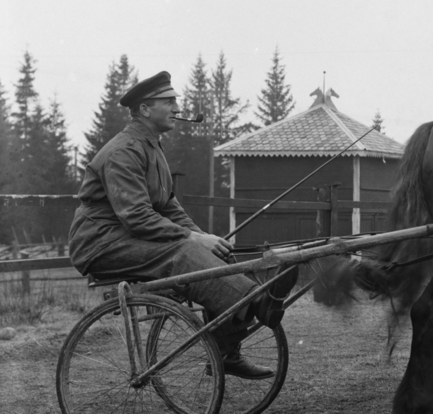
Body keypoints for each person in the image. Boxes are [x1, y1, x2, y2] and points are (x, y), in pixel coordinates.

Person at [68, 71, 297, 379]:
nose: (177, 107)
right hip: (102, 243)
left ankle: (226, 351)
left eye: (176, 101)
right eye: (170, 101)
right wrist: (192, 239)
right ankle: (257, 300)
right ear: (146, 109)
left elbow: (168, 206)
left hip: (125, 237)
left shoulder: (150, 147)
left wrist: (206, 238)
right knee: (183, 251)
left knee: (213, 254)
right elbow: (136, 216)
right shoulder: (124, 151)